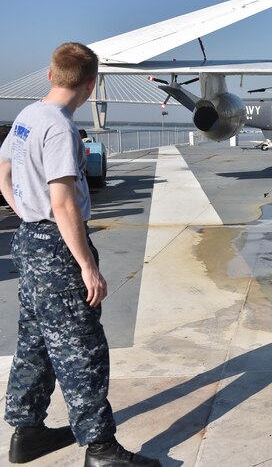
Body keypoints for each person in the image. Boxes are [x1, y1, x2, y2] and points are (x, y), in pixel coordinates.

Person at [0, 43, 160, 466]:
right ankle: (101, 449)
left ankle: (27, 431)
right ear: (91, 85)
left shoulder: (26, 117)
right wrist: (87, 266)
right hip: (57, 245)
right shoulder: (59, 128)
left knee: (35, 339)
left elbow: (4, 174)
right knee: (80, 346)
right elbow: (64, 203)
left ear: (50, 76)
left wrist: (28, 215)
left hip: (30, 240)